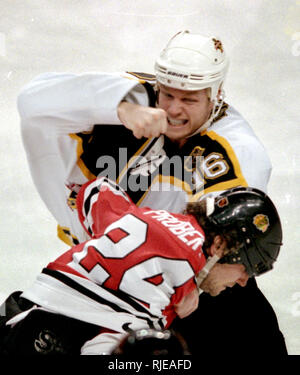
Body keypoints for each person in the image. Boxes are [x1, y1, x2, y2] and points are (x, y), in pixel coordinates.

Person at [18, 30, 287, 355]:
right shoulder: (134, 95)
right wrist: (118, 107)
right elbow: (32, 101)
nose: (174, 109)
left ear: (215, 95)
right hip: (109, 270)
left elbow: (227, 243)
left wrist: (194, 289)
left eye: (189, 99)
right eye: (168, 94)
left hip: (199, 284)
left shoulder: (238, 153)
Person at [0, 177, 282, 355]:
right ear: (220, 246)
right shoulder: (168, 284)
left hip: (24, 311)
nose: (245, 280)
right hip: (43, 339)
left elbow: (99, 191)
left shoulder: (149, 216)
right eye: (249, 267)